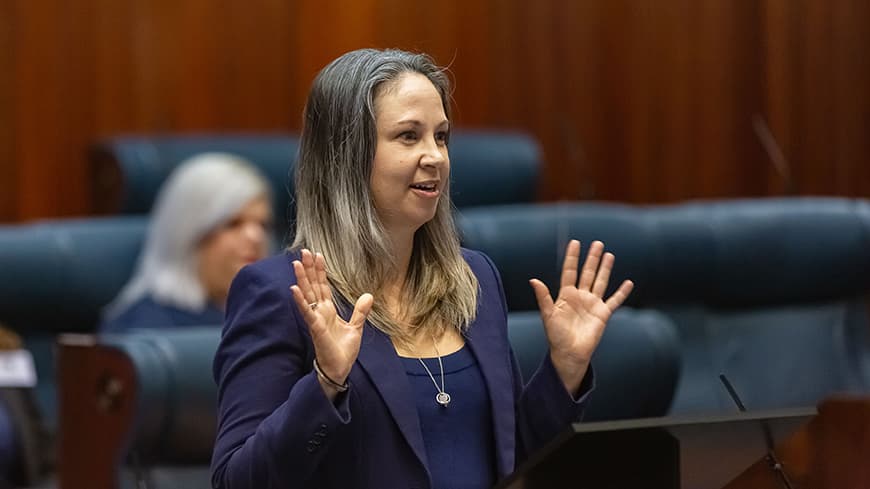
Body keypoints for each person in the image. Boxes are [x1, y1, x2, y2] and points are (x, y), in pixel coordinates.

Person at [211, 48, 634, 489]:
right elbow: (236, 481)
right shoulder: (280, 292)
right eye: (409, 136)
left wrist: (564, 369)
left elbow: (513, 464)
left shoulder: (474, 279)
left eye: (442, 136)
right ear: (346, 156)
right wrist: (325, 384)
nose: (435, 156)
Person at [100, 153, 273, 333]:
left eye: (263, 224)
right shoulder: (143, 332)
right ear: (188, 233)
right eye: (233, 224)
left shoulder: (267, 317)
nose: (256, 236)